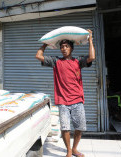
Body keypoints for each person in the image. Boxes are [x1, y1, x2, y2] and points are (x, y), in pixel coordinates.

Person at [36, 29, 95, 157]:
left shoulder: (78, 61)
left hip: (77, 100)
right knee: (65, 128)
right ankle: (68, 149)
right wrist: (46, 43)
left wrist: (90, 40)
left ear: (71, 49)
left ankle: (75, 148)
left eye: (66, 46)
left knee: (80, 127)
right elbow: (38, 56)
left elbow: (92, 57)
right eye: (62, 47)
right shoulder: (56, 61)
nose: (64, 49)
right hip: (63, 101)